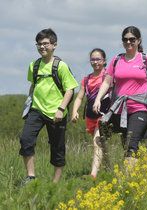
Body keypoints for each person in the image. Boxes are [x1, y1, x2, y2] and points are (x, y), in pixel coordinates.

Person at [93, 26, 147, 165]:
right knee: (113, 139)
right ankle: (123, 171)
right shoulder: (116, 60)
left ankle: (127, 182)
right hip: (119, 109)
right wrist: (98, 99)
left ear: (138, 41)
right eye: (125, 40)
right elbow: (107, 82)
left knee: (131, 143)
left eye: (132, 39)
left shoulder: (146, 60)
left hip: (140, 108)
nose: (128, 42)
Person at [19, 28, 78, 183]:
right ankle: (30, 177)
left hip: (56, 113)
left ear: (54, 45)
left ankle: (55, 183)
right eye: (39, 44)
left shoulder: (61, 66)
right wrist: (28, 104)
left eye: (45, 43)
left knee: (57, 147)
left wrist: (61, 109)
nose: (42, 47)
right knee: (25, 140)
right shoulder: (34, 65)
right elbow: (33, 86)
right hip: (36, 110)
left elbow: (70, 90)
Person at [71, 48, 110, 179]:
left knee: (96, 141)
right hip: (90, 116)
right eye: (92, 59)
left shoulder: (108, 77)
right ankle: (108, 169)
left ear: (104, 61)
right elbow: (79, 97)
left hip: (104, 115)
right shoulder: (86, 79)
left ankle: (93, 174)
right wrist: (74, 111)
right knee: (101, 144)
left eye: (98, 59)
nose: (95, 62)